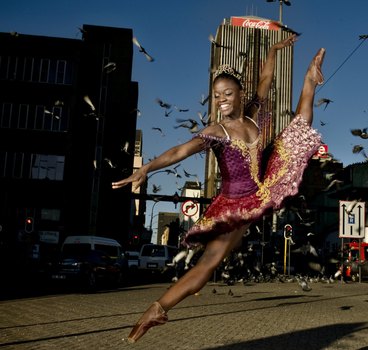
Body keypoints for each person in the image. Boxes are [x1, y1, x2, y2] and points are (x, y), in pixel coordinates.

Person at [112, 34, 326, 343]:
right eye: (216, 95)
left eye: (227, 93)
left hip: (260, 188)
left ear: (240, 94)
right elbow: (178, 152)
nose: (221, 99)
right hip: (235, 203)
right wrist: (146, 167)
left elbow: (265, 79)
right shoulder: (217, 132)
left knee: (297, 129)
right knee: (206, 268)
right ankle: (155, 310)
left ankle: (309, 79)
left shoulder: (253, 116)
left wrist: (274, 50)